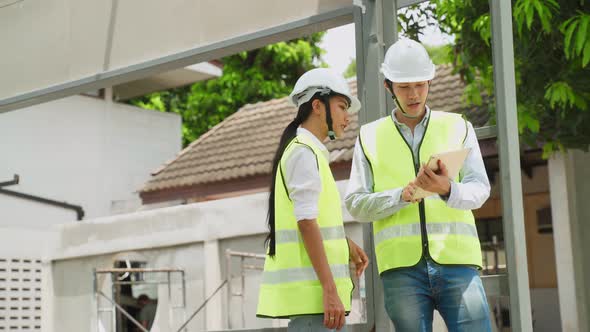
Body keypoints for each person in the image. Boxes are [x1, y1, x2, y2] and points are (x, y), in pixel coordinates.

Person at [344, 38, 492, 331]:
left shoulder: (458, 125)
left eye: (420, 85)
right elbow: (356, 204)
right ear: (389, 87)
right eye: (404, 87)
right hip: (402, 272)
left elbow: (480, 188)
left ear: (429, 83)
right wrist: (400, 196)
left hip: (457, 262)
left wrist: (447, 189)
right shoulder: (369, 136)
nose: (414, 95)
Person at [257, 68, 369, 331]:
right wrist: (330, 290)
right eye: (342, 107)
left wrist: (343, 244)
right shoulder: (303, 153)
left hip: (316, 308)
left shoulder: (308, 152)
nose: (347, 118)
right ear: (317, 106)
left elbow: (311, 221)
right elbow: (306, 223)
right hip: (315, 307)